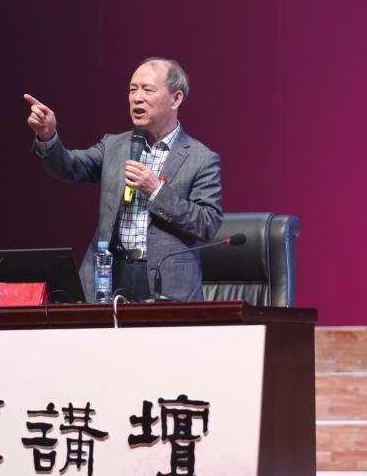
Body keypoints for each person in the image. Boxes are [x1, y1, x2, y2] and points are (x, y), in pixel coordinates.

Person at [26, 57, 223, 302]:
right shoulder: (114, 145)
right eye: (132, 89)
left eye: (147, 90)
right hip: (109, 275)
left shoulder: (201, 158)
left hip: (166, 282)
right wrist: (48, 137)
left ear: (176, 99)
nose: (137, 98)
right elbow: (69, 167)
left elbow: (208, 223)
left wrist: (156, 191)